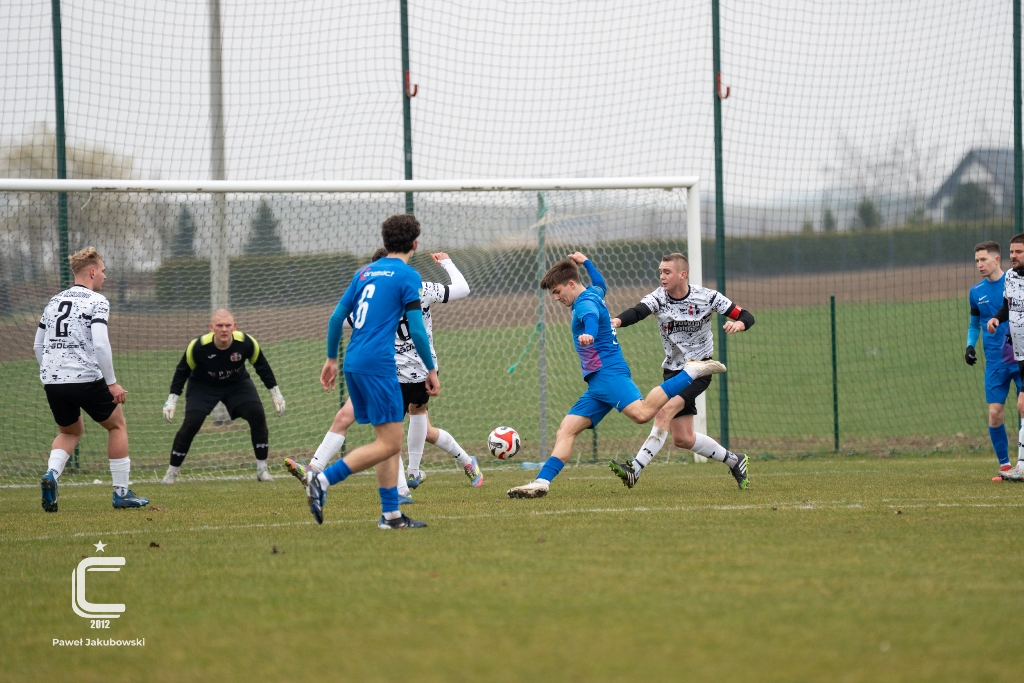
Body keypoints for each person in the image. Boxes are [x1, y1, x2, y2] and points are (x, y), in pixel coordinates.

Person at [506, 253, 727, 499]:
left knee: (642, 413)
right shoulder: (593, 292)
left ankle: (692, 371)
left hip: (607, 373)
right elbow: (601, 283)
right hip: (597, 381)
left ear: (571, 284)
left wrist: (589, 334)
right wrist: (586, 262)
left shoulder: (585, 304)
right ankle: (542, 482)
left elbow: (590, 318)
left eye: (557, 291)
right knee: (566, 430)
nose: (556, 298)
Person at [284, 248, 482, 498]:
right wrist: (447, 263)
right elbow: (462, 289)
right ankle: (440, 468)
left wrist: (359, 315)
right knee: (409, 421)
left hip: (400, 372)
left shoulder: (386, 297)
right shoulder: (415, 288)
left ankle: (405, 484)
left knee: (393, 428)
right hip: (409, 370)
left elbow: (341, 320)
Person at [303, 214, 437, 528]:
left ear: (385, 242)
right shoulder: (408, 276)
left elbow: (336, 318)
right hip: (379, 364)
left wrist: (331, 359)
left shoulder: (364, 273)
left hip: (353, 361)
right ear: (415, 244)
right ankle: (322, 480)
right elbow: (417, 330)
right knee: (390, 443)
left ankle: (391, 515)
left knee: (386, 439)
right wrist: (430, 368)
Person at [607, 253, 753, 489]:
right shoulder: (658, 297)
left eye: (667, 272)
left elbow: (746, 315)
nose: (662, 277)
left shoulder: (707, 297)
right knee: (683, 438)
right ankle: (735, 461)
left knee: (664, 411)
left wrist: (739, 323)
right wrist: (617, 321)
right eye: (660, 272)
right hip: (673, 371)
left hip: (699, 369)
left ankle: (635, 468)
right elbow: (638, 311)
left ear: (683, 274)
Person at [34, 247, 148, 511]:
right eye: (103, 271)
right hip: (85, 378)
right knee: (116, 425)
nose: (105, 276)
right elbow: (100, 344)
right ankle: (121, 493)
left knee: (70, 431)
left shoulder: (53, 301)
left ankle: (51, 474)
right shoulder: (97, 301)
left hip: (53, 381)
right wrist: (112, 383)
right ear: (92, 271)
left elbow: (38, 345)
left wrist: (51, 373)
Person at [161, 309, 285, 483]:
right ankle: (171, 472)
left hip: (237, 383)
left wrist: (276, 394)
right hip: (203, 385)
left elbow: (262, 366)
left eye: (228, 325)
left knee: (256, 413)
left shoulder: (246, 343)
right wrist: (172, 400)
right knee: (192, 422)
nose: (224, 329)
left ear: (234, 326)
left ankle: (262, 469)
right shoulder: (198, 347)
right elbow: (182, 371)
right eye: (220, 326)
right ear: (212, 327)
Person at [967, 241, 1021, 481]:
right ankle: (1005, 466)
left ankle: (1022, 463)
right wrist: (970, 345)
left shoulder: (1015, 281)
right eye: (976, 261)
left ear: (997, 259)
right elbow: (974, 324)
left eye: (983, 259)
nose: (979, 264)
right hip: (995, 362)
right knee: (995, 414)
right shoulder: (975, 292)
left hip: (1019, 358)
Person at [986, 233, 1024, 481]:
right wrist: (997, 318)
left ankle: (1021, 465)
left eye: (1018, 252)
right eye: (1011, 252)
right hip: (1020, 352)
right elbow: (1008, 305)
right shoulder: (1010, 276)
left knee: (1022, 405)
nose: (1013, 256)